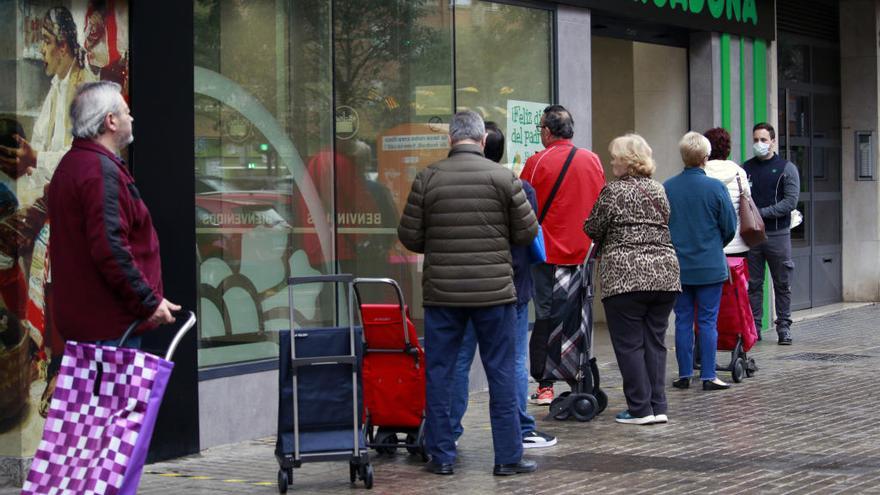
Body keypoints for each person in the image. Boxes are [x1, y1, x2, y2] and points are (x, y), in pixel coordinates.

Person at [398, 110, 538, 476]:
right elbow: (526, 232)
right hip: (495, 295)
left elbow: (410, 236)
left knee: (441, 373)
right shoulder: (503, 178)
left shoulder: (427, 178)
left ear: (451, 139)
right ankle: (508, 457)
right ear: (481, 140)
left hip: (443, 295)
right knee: (502, 373)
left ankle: (441, 456)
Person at [449, 122, 556, 449]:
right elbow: (527, 233)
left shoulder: (450, 183)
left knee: (459, 360)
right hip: (510, 287)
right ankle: (520, 430)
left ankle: (447, 431)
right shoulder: (520, 188)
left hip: (462, 287)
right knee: (512, 360)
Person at [47, 81, 179, 348]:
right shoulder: (98, 170)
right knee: (117, 393)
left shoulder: (75, 164)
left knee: (97, 392)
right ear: (111, 121)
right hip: (111, 329)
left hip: (96, 324)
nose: (131, 117)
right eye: (126, 111)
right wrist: (148, 302)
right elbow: (111, 249)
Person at [584, 134, 681, 425]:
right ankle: (657, 405)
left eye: (615, 156)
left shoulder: (613, 192)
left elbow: (592, 227)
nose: (611, 160)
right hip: (665, 274)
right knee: (655, 342)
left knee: (629, 344)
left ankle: (639, 409)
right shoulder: (659, 190)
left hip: (626, 276)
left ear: (627, 161)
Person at [520, 105, 605, 405]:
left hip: (547, 254)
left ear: (546, 130)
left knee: (546, 316)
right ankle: (577, 376)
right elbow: (600, 203)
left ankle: (545, 386)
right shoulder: (591, 160)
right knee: (577, 315)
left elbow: (522, 207)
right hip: (584, 254)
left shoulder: (536, 161)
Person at [664, 132, 737, 391]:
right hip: (709, 265)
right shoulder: (716, 187)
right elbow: (729, 226)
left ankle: (684, 374)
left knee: (682, 320)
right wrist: (714, 245)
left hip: (678, 266)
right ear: (705, 158)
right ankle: (708, 374)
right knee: (707, 321)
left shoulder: (668, 187)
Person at [742, 122, 800, 345]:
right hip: (752, 237)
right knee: (754, 284)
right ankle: (754, 328)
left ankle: (784, 327)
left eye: (763, 140)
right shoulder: (745, 168)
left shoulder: (787, 168)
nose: (759, 144)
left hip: (778, 234)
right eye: (756, 140)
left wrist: (760, 213)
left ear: (773, 141)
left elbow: (790, 202)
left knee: (782, 283)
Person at [704, 128, 751, 257]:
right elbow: (747, 199)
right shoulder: (739, 172)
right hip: (738, 245)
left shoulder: (701, 173)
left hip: (710, 246)